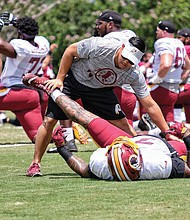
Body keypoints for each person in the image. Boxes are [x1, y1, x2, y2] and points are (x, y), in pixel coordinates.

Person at [25, 34, 178, 177]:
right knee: (49, 121)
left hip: (101, 90)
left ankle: (139, 156)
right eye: (125, 58)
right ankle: (35, 163)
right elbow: (70, 50)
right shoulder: (101, 46)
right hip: (74, 80)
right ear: (122, 47)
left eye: (131, 61)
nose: (125, 63)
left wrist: (167, 131)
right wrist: (59, 79)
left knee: (123, 125)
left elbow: (150, 104)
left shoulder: (133, 73)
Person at [22, 74, 190, 180]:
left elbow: (82, 169)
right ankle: (153, 130)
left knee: (83, 116)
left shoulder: (103, 164)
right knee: (180, 145)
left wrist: (62, 148)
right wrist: (186, 138)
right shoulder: (159, 165)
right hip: (163, 147)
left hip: (124, 145)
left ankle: (51, 90)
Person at [0, 12, 50, 142]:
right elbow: (29, 34)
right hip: (31, 96)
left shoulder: (21, 47)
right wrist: (18, 23)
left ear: (21, 34)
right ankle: (61, 137)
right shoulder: (43, 43)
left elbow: (1, 45)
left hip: (13, 91)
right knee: (38, 136)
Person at [147, 20, 190, 123]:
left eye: (157, 30)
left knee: (140, 100)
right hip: (173, 88)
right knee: (168, 117)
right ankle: (170, 137)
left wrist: (155, 81)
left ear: (164, 32)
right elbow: (188, 65)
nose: (156, 33)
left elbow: (166, 64)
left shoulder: (163, 42)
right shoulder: (178, 43)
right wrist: (180, 80)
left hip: (160, 87)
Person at [174, 28, 190, 123]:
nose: (177, 39)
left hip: (186, 86)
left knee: (166, 99)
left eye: (179, 37)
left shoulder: (186, 48)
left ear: (187, 39)